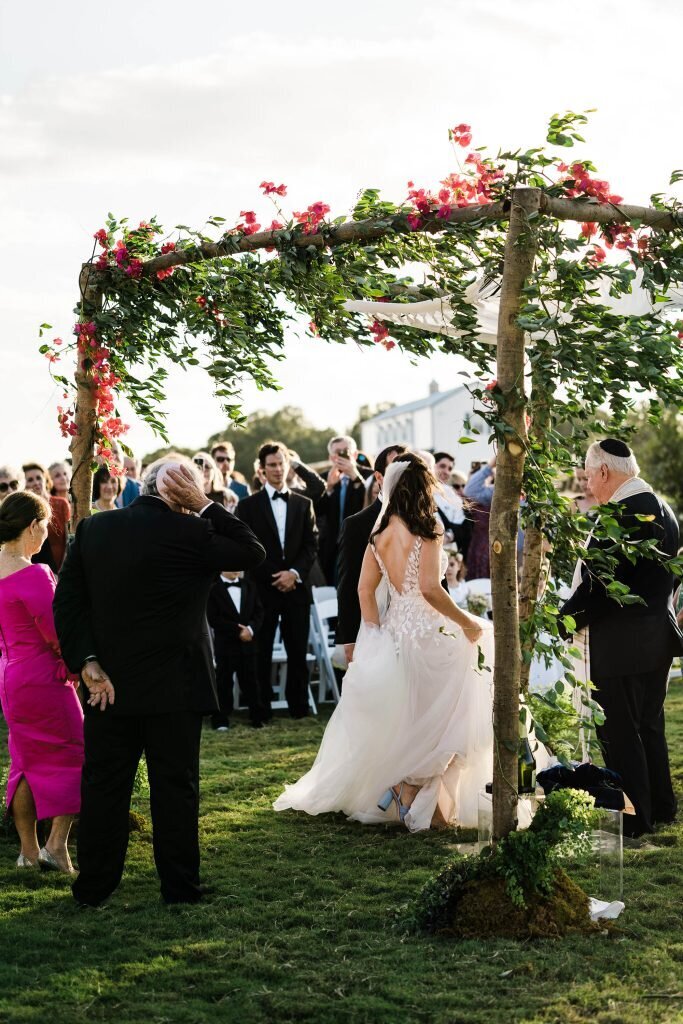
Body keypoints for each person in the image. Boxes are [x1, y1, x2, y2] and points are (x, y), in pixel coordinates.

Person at [53, 457, 266, 906]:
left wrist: (87, 662)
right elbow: (252, 552)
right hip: (177, 687)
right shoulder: (196, 533)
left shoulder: (95, 529)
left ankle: (93, 888)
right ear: (182, 491)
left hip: (106, 685)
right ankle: (180, 889)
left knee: (104, 786)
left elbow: (68, 604)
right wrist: (207, 505)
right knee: (176, 789)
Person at [274, 453, 493, 831]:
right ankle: (411, 787)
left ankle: (409, 791)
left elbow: (363, 590)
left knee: (413, 716)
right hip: (428, 630)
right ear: (422, 488)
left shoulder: (379, 533)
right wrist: (467, 622)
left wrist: (374, 633)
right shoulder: (428, 528)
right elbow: (429, 588)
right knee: (450, 711)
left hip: (394, 631)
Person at [559, 439, 682, 838]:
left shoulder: (624, 512)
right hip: (656, 637)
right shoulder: (663, 507)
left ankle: (635, 818)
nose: (588, 484)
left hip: (621, 642)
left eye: (588, 475)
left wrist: (560, 622)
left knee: (619, 730)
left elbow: (600, 585)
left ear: (605, 472)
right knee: (648, 725)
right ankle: (661, 806)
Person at [0, 492, 83, 873]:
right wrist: (81, 667)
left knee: (24, 762)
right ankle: (57, 845)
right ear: (32, 526)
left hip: (11, 677)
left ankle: (28, 853)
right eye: (46, 526)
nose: (47, 536)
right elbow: (57, 633)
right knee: (74, 754)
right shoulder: (32, 574)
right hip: (44, 677)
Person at [237, 442, 318, 719]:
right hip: (264, 589)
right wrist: (276, 575)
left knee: (298, 651)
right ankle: (261, 710)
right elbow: (247, 546)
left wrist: (293, 574)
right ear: (261, 470)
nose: (277, 469)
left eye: (281, 463)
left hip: (296, 588)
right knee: (261, 651)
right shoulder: (247, 507)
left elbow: (311, 545)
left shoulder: (304, 503)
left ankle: (299, 708)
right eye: (271, 464)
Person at [336, 444, 408, 662]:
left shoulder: (422, 520)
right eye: (397, 470)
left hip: (418, 626)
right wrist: (349, 639)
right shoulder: (357, 524)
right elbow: (348, 584)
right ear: (379, 476)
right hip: (374, 626)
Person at [207, 570, 265, 729]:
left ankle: (257, 717)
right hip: (225, 645)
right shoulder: (213, 588)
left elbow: (259, 612)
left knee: (251, 681)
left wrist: (251, 630)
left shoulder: (249, 585)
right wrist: (236, 630)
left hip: (248, 644)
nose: (236, 570)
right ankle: (221, 719)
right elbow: (213, 618)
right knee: (224, 682)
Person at [316, 435, 371, 584]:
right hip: (331, 547)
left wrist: (355, 476)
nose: (341, 455)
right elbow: (317, 512)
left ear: (354, 454)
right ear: (331, 457)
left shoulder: (368, 476)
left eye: (345, 451)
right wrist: (329, 488)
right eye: (337, 452)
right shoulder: (323, 478)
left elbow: (371, 505)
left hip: (360, 544)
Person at [22, 461, 71, 571]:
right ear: (24, 485)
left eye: (39, 478)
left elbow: (69, 540)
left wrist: (63, 570)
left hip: (63, 567)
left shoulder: (61, 503)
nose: (36, 482)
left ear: (45, 479)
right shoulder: (25, 510)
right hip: (39, 569)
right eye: (30, 480)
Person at [433, 451, 473, 557]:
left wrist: (449, 536)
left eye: (450, 469)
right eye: (442, 466)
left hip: (450, 555)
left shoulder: (452, 494)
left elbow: (462, 526)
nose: (446, 471)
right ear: (432, 466)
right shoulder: (420, 493)